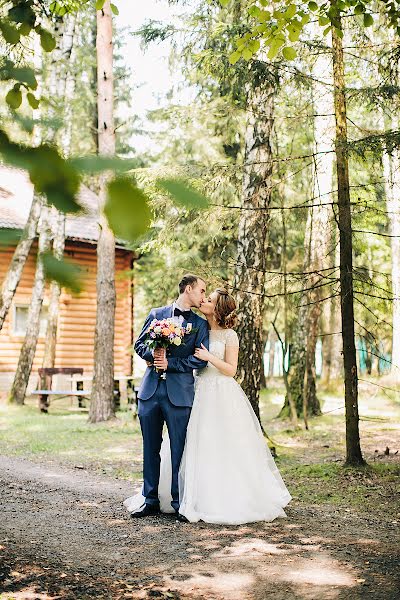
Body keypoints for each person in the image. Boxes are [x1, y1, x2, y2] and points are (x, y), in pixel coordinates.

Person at [126, 287, 291, 525]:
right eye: (203, 295)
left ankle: (219, 497)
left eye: (209, 299)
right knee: (193, 445)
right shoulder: (198, 326)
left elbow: (231, 370)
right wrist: (160, 355)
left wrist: (209, 357)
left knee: (221, 445)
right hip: (197, 391)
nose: (204, 300)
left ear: (218, 308)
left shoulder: (229, 335)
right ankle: (180, 496)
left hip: (221, 393)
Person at [128, 274, 209, 520]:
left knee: (179, 450)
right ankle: (149, 499)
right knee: (150, 448)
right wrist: (154, 355)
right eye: (202, 291)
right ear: (188, 289)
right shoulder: (156, 314)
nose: (204, 296)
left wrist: (170, 363)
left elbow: (199, 360)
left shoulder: (200, 324)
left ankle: (178, 502)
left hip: (180, 395)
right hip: (150, 392)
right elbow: (139, 344)